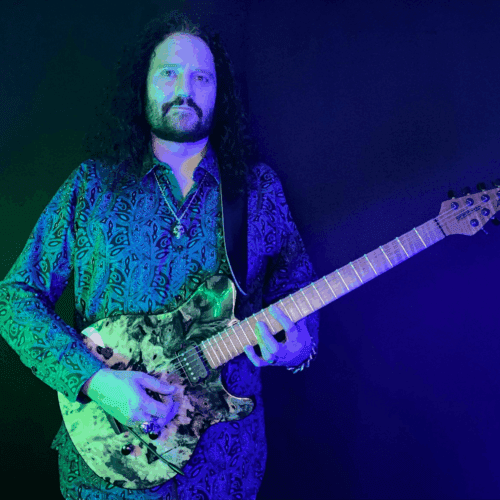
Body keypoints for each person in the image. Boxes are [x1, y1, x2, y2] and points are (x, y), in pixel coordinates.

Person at [0, 10, 320, 500]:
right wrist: (95, 381)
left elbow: (298, 291)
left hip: (225, 471)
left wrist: (298, 349)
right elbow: (15, 299)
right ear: (144, 84)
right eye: (169, 72)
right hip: (106, 471)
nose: (184, 89)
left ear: (219, 92)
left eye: (201, 77)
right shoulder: (92, 186)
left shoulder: (258, 190)